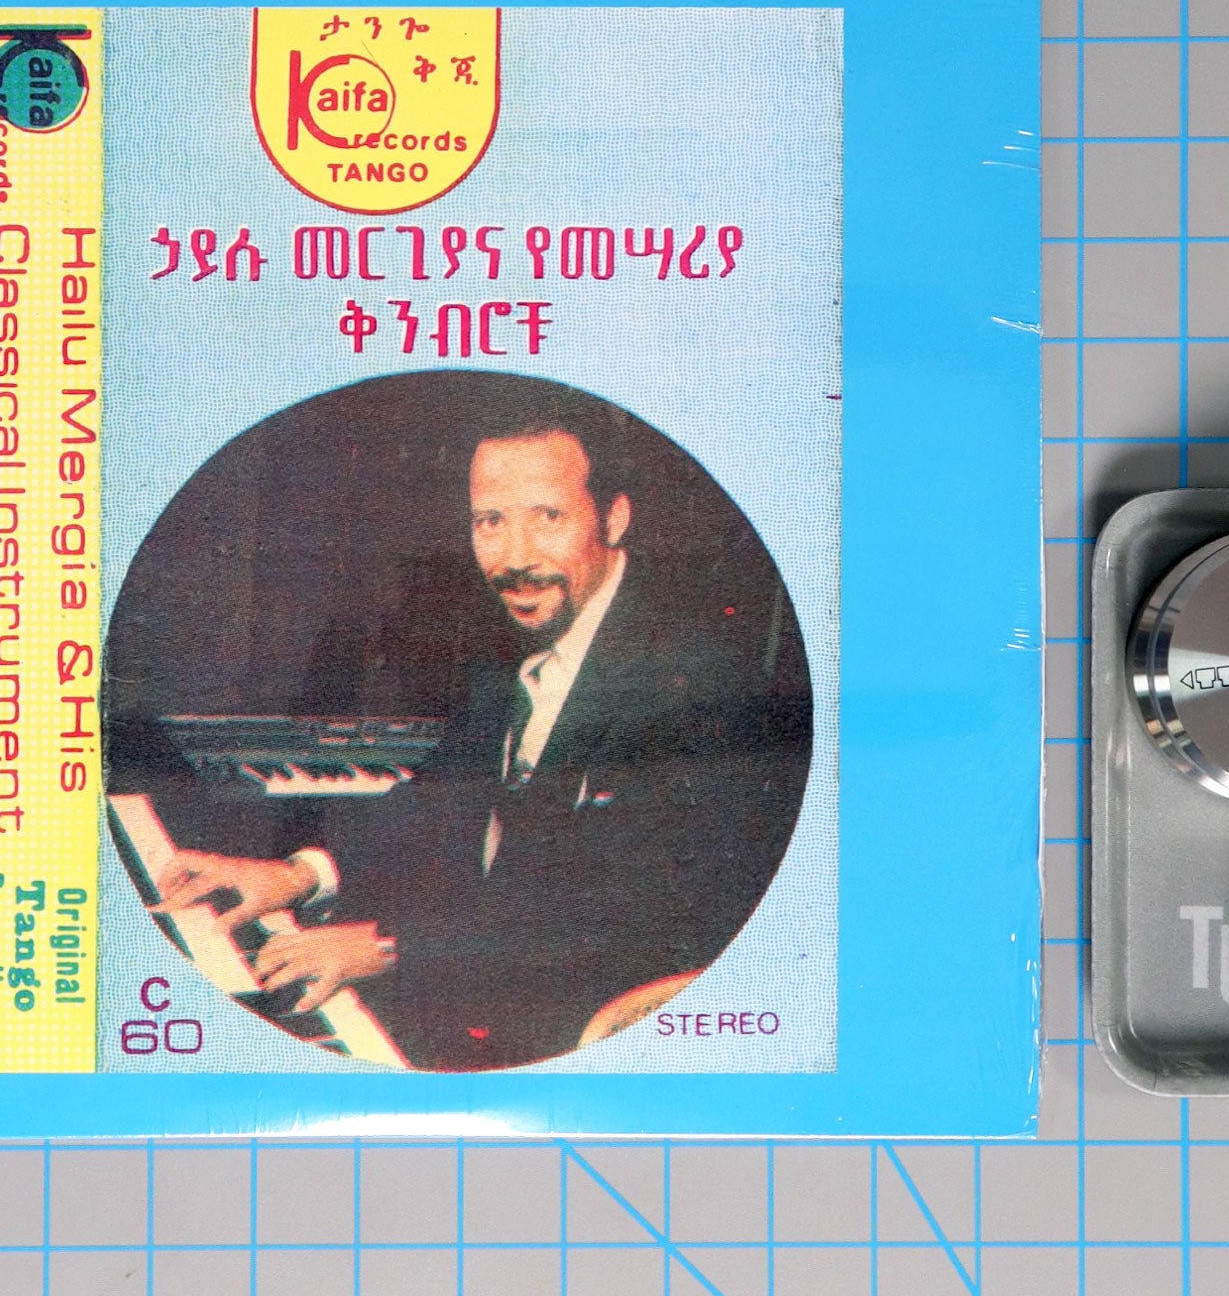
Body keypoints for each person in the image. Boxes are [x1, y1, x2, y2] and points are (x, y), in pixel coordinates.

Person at [152, 391, 812, 1069]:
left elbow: (619, 920)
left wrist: (386, 947)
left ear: (613, 518)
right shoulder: (524, 632)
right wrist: (299, 875)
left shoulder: (697, 683)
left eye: (548, 517)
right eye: (490, 521)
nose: (514, 557)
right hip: (491, 976)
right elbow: (442, 799)